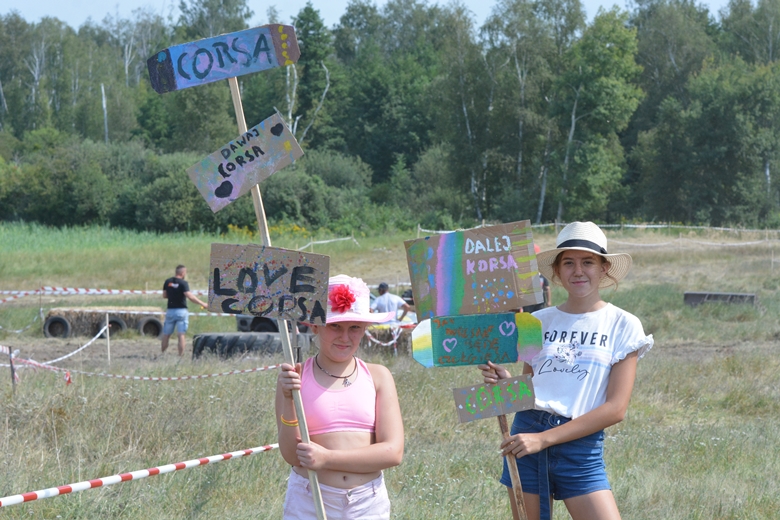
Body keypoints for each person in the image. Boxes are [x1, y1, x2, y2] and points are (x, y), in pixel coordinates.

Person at [479, 222, 653, 520]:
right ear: (557, 272)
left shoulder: (623, 324)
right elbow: (532, 388)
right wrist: (508, 384)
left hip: (580, 447)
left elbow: (616, 409)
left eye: (588, 262)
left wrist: (544, 440)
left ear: (603, 269)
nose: (578, 271)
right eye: (568, 263)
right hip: (526, 436)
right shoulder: (537, 321)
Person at [276, 275, 405, 519]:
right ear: (315, 326)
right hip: (310, 500)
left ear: (365, 329)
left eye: (354, 327)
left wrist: (327, 458)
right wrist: (288, 398)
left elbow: (393, 452)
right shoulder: (295, 377)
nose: (345, 337)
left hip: (367, 504)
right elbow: (292, 455)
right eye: (335, 326)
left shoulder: (379, 376)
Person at [161, 265, 207, 356]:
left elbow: (164, 295)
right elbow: (190, 296)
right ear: (182, 273)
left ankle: (163, 353)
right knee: (181, 335)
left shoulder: (168, 282)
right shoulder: (183, 283)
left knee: (166, 334)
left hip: (170, 310)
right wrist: (203, 303)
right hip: (181, 311)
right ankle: (180, 356)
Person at [523, 244, 552, 313]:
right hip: (528, 302)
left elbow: (547, 288)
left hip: (540, 302)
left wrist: (549, 301)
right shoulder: (524, 274)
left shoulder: (541, 275)